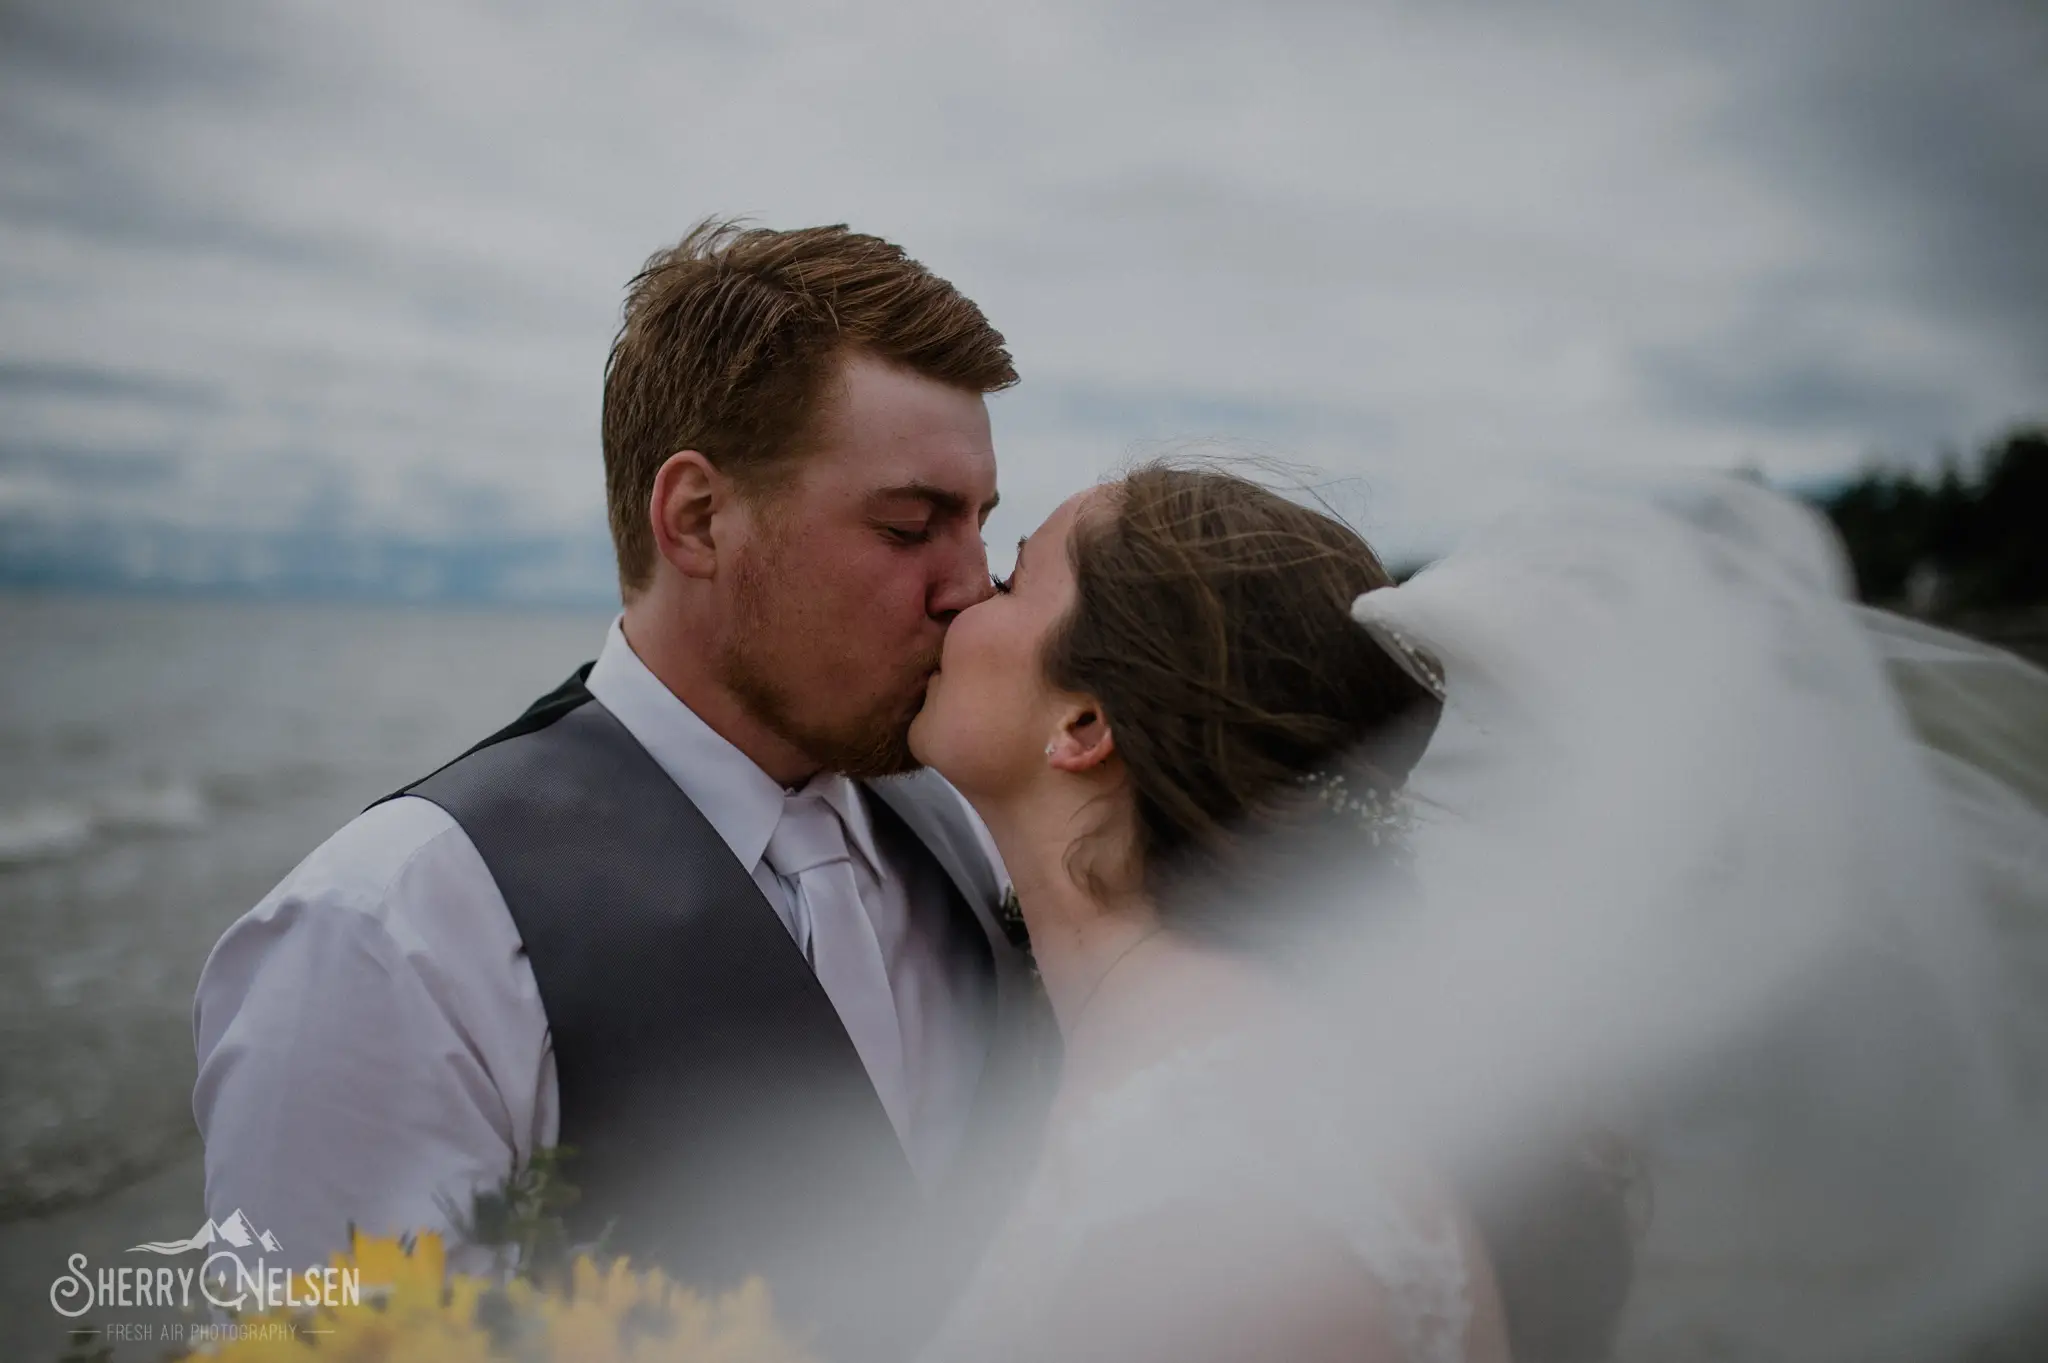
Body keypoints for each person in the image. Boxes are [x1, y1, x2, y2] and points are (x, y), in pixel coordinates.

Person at [906, 463, 2048, 1363]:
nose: (961, 594)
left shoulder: (1217, 1181)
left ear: (1084, 725)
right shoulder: (1186, 1075)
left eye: (1011, 580)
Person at [192, 220, 1055, 1363]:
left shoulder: (967, 826)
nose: (970, 587)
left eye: (980, 524)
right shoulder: (387, 937)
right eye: (908, 526)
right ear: (695, 518)